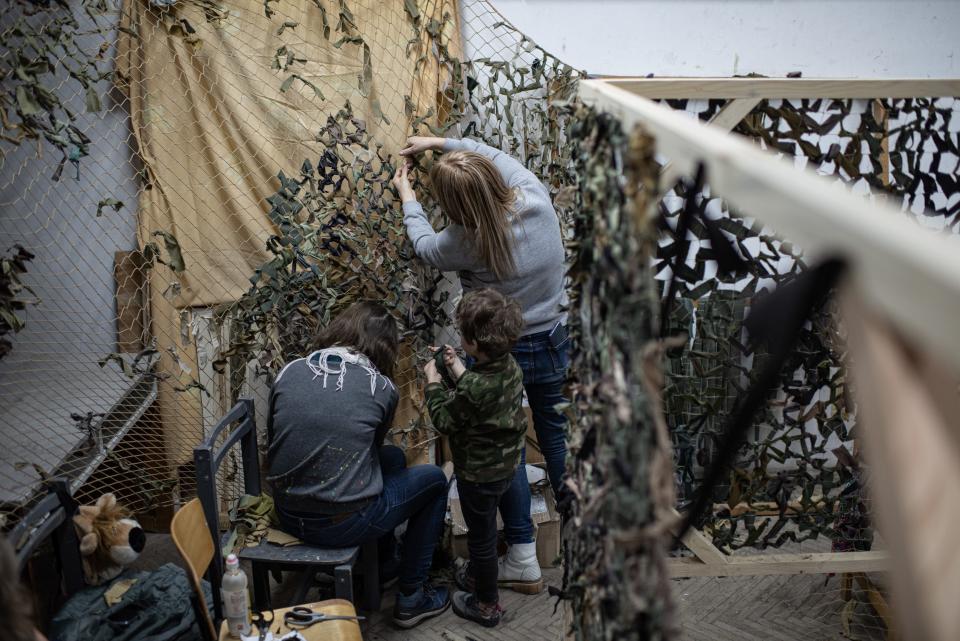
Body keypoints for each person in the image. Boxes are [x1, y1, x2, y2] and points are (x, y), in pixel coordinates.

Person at [393, 135, 570, 592]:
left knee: (501, 449)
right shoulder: (534, 194)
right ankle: (575, 540)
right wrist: (442, 142)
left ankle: (523, 555)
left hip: (498, 356)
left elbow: (424, 246)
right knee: (555, 438)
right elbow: (492, 154)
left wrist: (408, 196)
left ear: (454, 206)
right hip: (551, 339)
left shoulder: (465, 240)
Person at [266, 302, 450, 628]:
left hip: (288, 514)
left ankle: (382, 563)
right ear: (385, 347)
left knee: (392, 458)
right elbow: (368, 449)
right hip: (342, 525)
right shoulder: (381, 387)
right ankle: (412, 596)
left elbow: (277, 442)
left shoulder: (289, 371)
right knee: (435, 480)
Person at [423, 288, 527, 627]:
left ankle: (486, 605)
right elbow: (479, 389)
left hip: (478, 476)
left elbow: (444, 419)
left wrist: (433, 382)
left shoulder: (474, 388)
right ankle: (480, 579)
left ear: (473, 344)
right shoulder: (509, 366)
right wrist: (456, 366)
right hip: (507, 467)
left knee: (481, 539)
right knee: (488, 531)